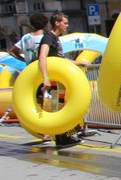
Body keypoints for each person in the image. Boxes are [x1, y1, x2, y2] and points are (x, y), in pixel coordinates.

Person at [37, 12, 86, 147]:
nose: (67, 25)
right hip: (53, 80)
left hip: (59, 80)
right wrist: (46, 78)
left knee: (60, 105)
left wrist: (79, 63)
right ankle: (61, 137)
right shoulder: (48, 38)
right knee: (57, 107)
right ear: (57, 23)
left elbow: (61, 59)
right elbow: (42, 57)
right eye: (65, 23)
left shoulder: (56, 39)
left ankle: (64, 135)